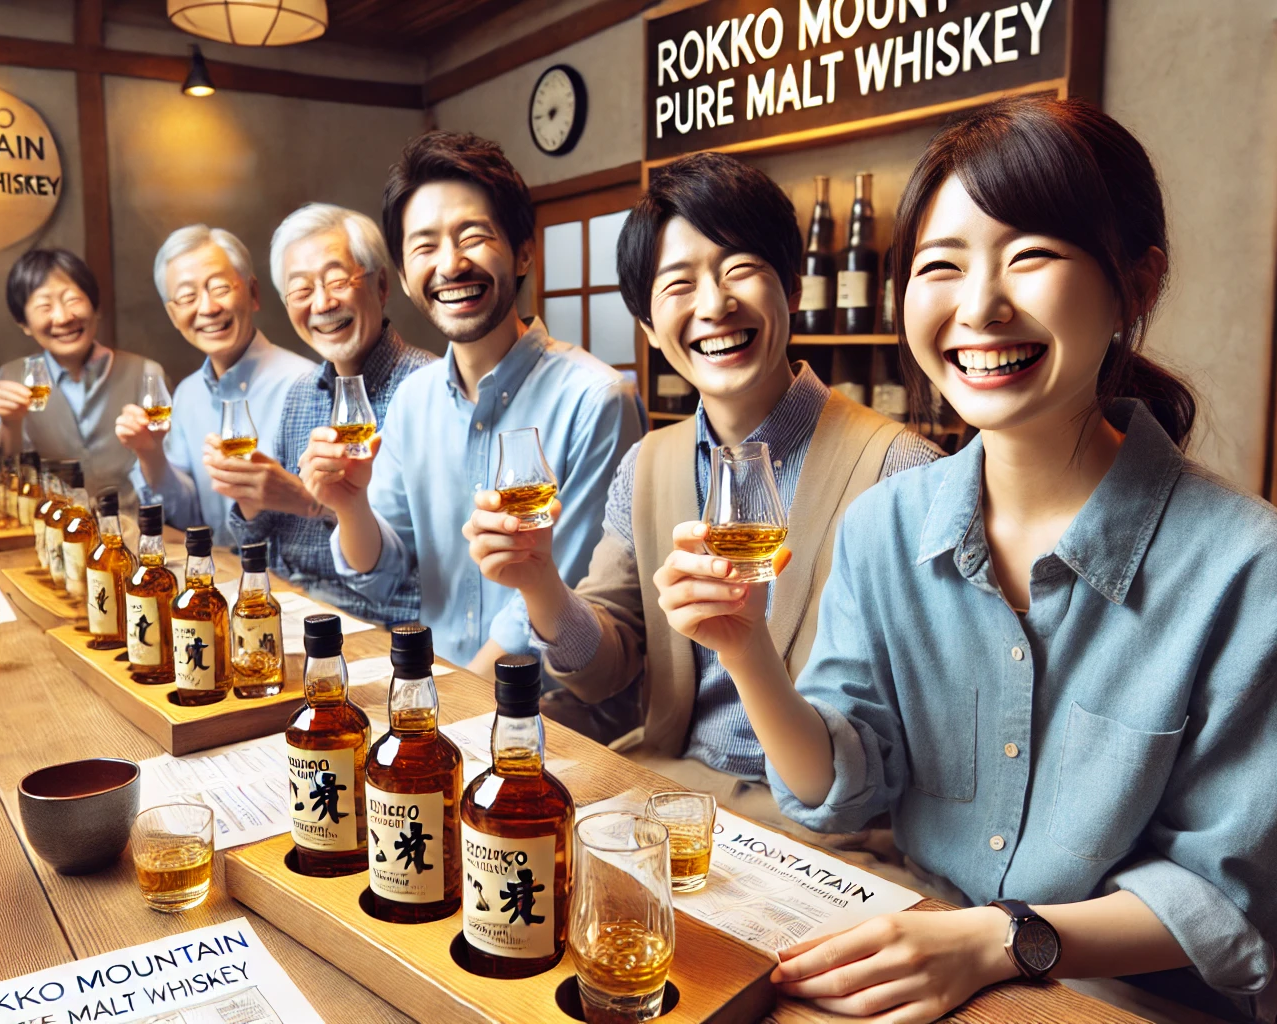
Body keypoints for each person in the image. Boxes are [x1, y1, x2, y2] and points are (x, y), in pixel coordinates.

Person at [663, 98, 1277, 1024]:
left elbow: (1231, 902)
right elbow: (842, 786)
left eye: (1030, 256)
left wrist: (999, 938)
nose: (980, 305)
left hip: (1120, 997)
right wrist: (745, 649)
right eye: (940, 266)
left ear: (1136, 287)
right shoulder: (885, 528)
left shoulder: (1267, 581)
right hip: (920, 946)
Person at [463, 152, 941, 815]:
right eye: (679, 285)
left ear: (794, 290)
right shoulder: (650, 464)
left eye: (741, 269)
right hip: (668, 793)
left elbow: (918, 734)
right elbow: (607, 670)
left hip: (827, 824)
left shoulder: (900, 472)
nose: (715, 305)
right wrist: (538, 579)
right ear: (652, 330)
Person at [303, 131, 643, 674]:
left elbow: (569, 594)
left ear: (524, 252)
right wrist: (349, 504)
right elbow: (386, 569)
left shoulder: (596, 399)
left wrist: (447, 701)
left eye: (473, 235)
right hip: (442, 689)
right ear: (407, 280)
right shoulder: (413, 400)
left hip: (555, 713)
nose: (451, 264)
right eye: (424, 246)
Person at [218, 203, 435, 624]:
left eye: (338, 280)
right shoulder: (301, 393)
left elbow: (421, 571)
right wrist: (249, 496)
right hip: (293, 607)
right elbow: (263, 543)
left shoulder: (426, 389)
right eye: (301, 291)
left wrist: (310, 502)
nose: (322, 303)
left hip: (383, 627)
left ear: (382, 286)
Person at [117, 225, 314, 546]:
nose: (207, 308)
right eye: (187, 297)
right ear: (173, 314)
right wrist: (150, 453)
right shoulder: (188, 393)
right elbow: (188, 518)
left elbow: (329, 518)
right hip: (218, 581)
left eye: (220, 288)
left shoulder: (306, 384)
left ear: (253, 293)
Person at [0, 248, 166, 509]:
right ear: (23, 322)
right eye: (45, 306)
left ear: (96, 307)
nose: (64, 317)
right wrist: (10, 424)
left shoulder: (146, 373)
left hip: (132, 533)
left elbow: (171, 472)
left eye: (73, 300)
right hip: (52, 533)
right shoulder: (12, 377)